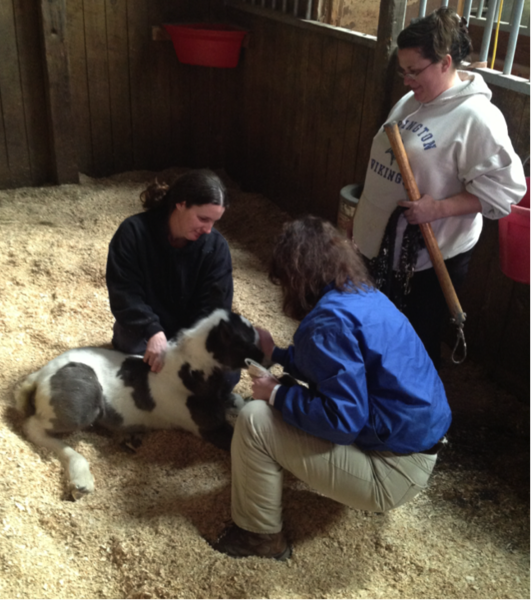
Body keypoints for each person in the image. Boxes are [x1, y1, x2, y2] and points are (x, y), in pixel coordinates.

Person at [212, 216, 452, 561]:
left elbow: (342, 423)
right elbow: (335, 367)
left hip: (392, 471)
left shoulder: (327, 322)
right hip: (414, 446)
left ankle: (260, 539)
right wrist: (275, 355)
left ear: (296, 277)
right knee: (289, 395)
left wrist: (276, 394)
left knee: (254, 419)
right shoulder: (362, 295)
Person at [352, 8, 526, 369]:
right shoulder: (413, 100)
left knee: (413, 346)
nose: (406, 80)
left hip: (427, 261)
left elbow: (506, 191)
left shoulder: (477, 117)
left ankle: (417, 418)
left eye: (414, 71)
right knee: (377, 336)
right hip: (382, 251)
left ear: (445, 63)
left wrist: (439, 209)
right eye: (403, 71)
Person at [106, 169, 233, 373]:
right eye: (203, 219)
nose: (208, 229)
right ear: (181, 204)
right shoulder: (133, 233)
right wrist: (153, 330)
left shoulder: (216, 247)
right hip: (146, 327)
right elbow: (124, 292)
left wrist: (189, 344)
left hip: (192, 331)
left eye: (214, 222)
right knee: (134, 356)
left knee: (227, 368)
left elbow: (215, 306)